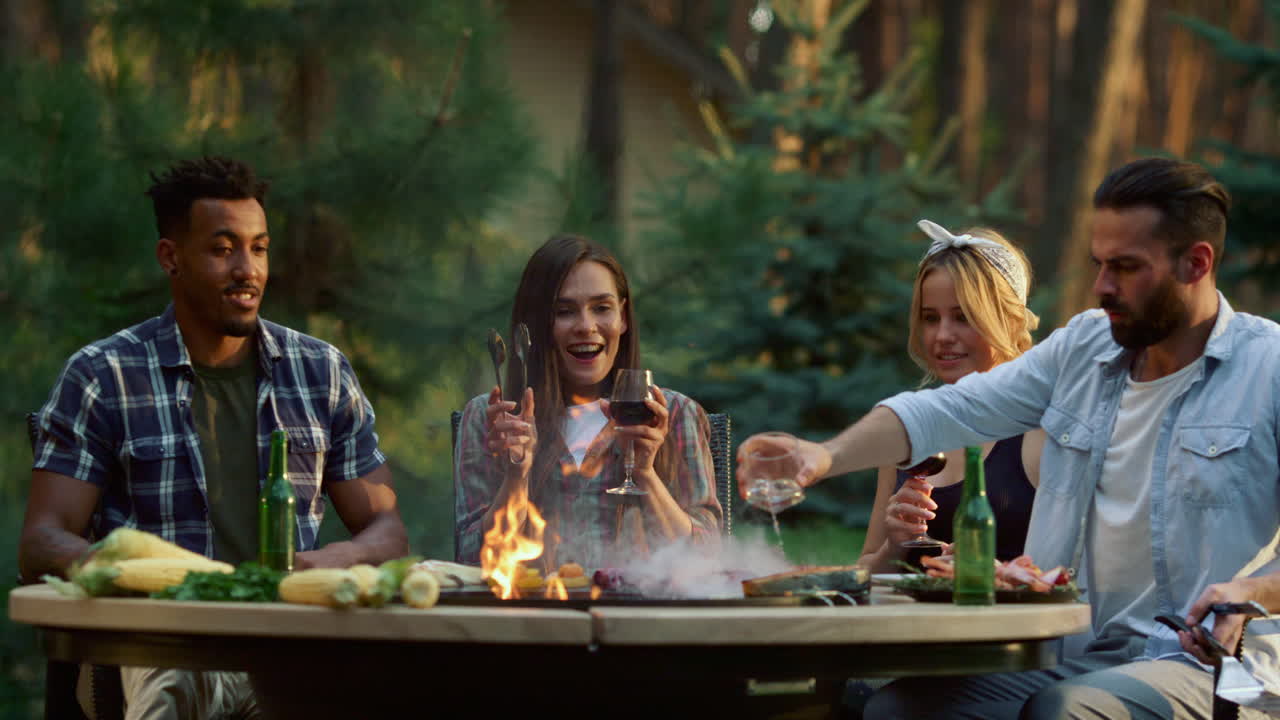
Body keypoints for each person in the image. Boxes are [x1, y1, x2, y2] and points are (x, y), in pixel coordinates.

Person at [742, 157, 1280, 719]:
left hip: (1210, 667)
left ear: (1196, 263)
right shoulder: (1082, 348)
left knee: (1064, 711)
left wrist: (1252, 593)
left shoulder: (1268, 368)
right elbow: (947, 409)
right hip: (1075, 652)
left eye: (1125, 267)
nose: (1101, 287)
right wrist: (822, 455)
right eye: (1098, 264)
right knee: (897, 711)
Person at [18, 156, 409, 720]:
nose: (248, 270)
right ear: (170, 257)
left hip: (290, 645)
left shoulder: (320, 371)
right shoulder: (103, 375)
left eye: (259, 248)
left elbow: (387, 529)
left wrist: (338, 558)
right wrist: (126, 574)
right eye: (223, 249)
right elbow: (41, 542)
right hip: (161, 644)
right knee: (171, 680)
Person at [454, 233, 721, 570]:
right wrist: (516, 477)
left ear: (623, 318)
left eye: (602, 308)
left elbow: (709, 561)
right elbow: (470, 560)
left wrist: (645, 474)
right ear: (536, 324)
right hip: (534, 604)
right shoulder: (494, 418)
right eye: (564, 312)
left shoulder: (676, 413)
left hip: (640, 604)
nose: (586, 326)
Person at [858, 221, 1044, 573]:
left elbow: (1078, 572)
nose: (942, 335)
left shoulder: (1042, 433)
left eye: (963, 317)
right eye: (931, 318)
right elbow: (866, 571)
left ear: (1010, 320)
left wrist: (992, 573)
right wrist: (894, 547)